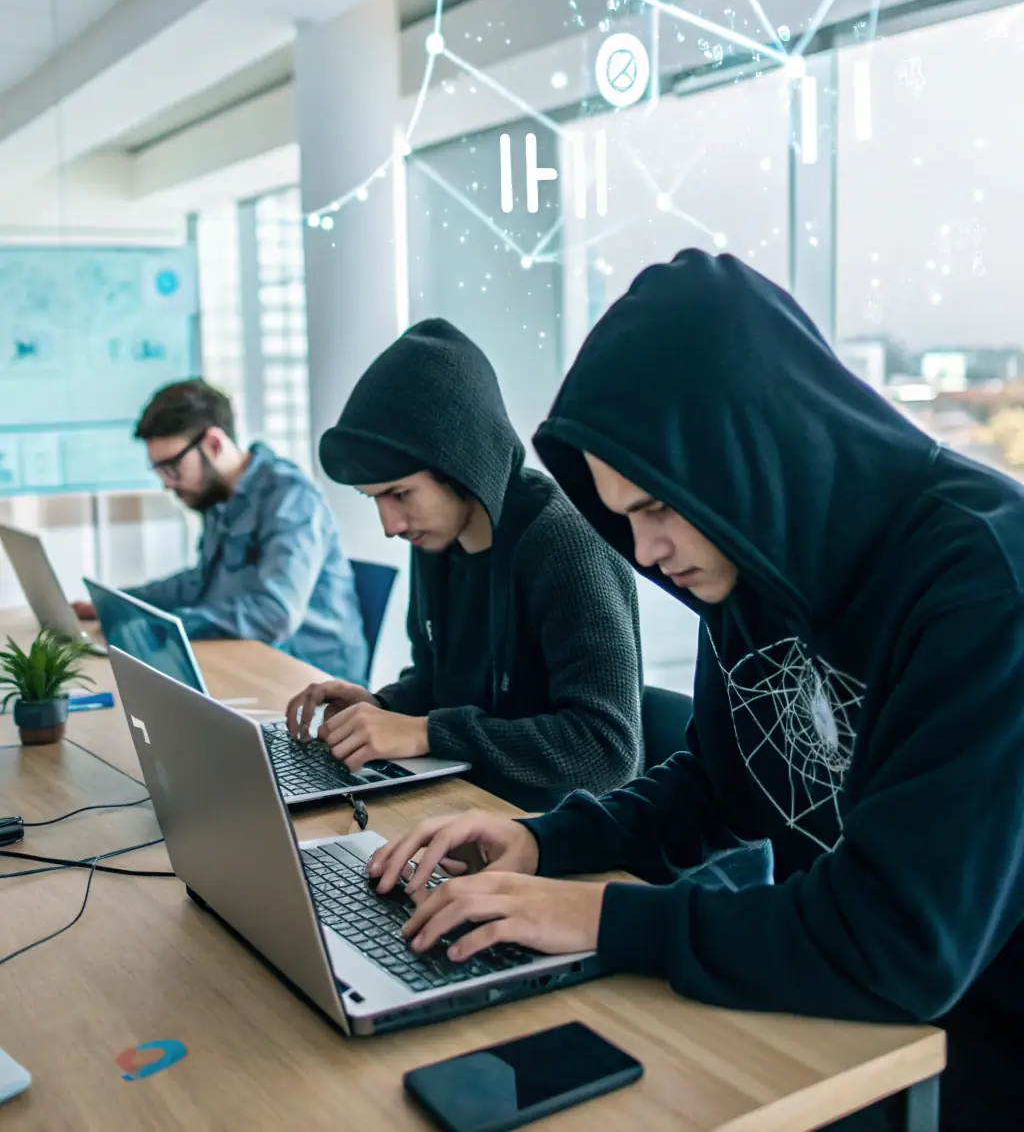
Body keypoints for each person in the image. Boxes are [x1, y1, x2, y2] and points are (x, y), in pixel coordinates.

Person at [366, 252, 1024, 1132]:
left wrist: (603, 916)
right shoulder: (755, 560)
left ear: (751, 454)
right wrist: (543, 842)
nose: (643, 552)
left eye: (656, 508)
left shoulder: (985, 586)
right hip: (829, 1021)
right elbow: (719, 784)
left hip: (968, 1054)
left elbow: (902, 944)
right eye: (626, 515)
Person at [284, 318, 643, 812]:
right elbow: (439, 683)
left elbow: (606, 749)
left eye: (400, 494)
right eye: (374, 499)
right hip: (469, 805)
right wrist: (383, 707)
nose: (390, 525)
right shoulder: (436, 538)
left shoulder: (565, 544)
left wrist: (426, 733)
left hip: (556, 826)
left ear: (460, 467)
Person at [74, 379, 368, 683]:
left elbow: (273, 614)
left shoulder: (290, 497)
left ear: (214, 444)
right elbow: (200, 582)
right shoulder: (217, 498)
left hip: (311, 676)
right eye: (160, 470)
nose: (167, 483)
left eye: (172, 466)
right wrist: (121, 604)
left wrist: (164, 627)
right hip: (249, 659)